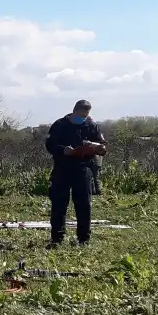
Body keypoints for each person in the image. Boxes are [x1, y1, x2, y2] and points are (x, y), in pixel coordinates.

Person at [44, 99, 108, 247]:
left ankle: (83, 239)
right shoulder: (60, 125)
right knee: (59, 204)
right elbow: (50, 145)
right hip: (62, 168)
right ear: (74, 111)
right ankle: (57, 239)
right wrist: (63, 150)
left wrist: (99, 148)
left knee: (84, 205)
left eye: (86, 115)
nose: (83, 118)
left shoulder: (91, 126)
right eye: (81, 115)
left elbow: (102, 145)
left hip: (83, 169)